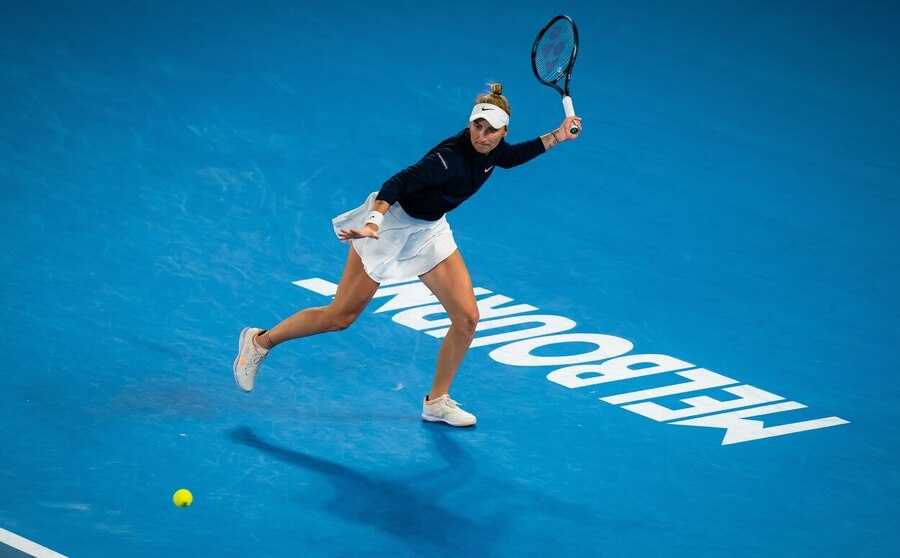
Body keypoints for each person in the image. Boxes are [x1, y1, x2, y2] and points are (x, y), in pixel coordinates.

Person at [233, 83, 581, 427]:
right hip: (390, 226)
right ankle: (260, 341)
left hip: (430, 229)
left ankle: (437, 402)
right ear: (469, 123)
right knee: (340, 316)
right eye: (478, 126)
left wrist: (558, 135)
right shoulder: (448, 159)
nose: (483, 136)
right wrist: (372, 222)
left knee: (467, 319)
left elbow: (513, 156)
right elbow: (397, 183)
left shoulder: (494, 151)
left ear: (504, 132)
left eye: (492, 131)